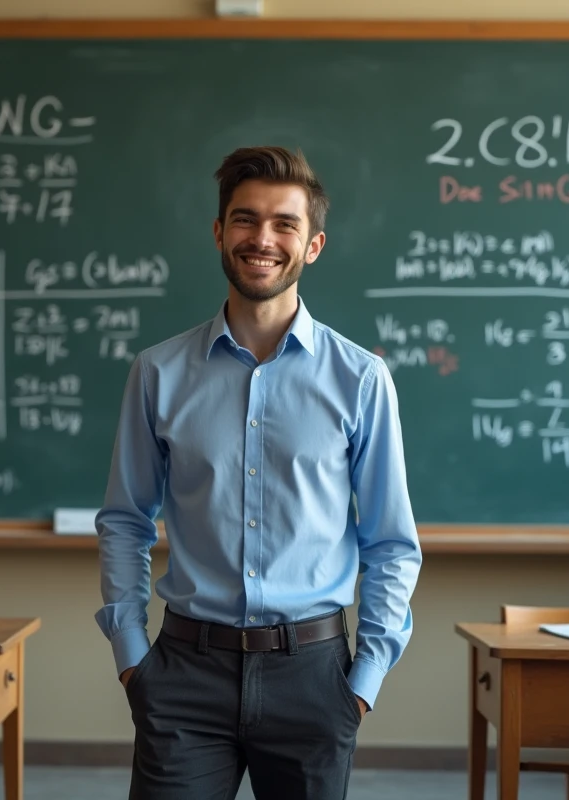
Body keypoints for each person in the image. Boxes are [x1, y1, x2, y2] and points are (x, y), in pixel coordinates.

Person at [94, 145, 422, 800]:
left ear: (313, 245)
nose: (262, 239)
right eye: (245, 219)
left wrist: (363, 682)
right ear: (219, 232)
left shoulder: (361, 379)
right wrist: (132, 656)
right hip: (184, 675)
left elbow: (390, 542)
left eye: (284, 224)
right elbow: (126, 521)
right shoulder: (158, 373)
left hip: (315, 677)